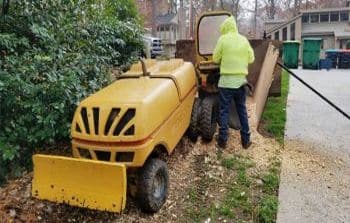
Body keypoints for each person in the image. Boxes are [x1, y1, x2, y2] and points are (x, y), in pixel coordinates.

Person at [213, 16, 255, 150]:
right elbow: (251, 58)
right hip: (241, 83)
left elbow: (215, 58)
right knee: (242, 110)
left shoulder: (223, 39)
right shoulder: (244, 40)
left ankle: (223, 140)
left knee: (224, 111)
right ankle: (246, 140)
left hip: (226, 83)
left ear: (225, 28)